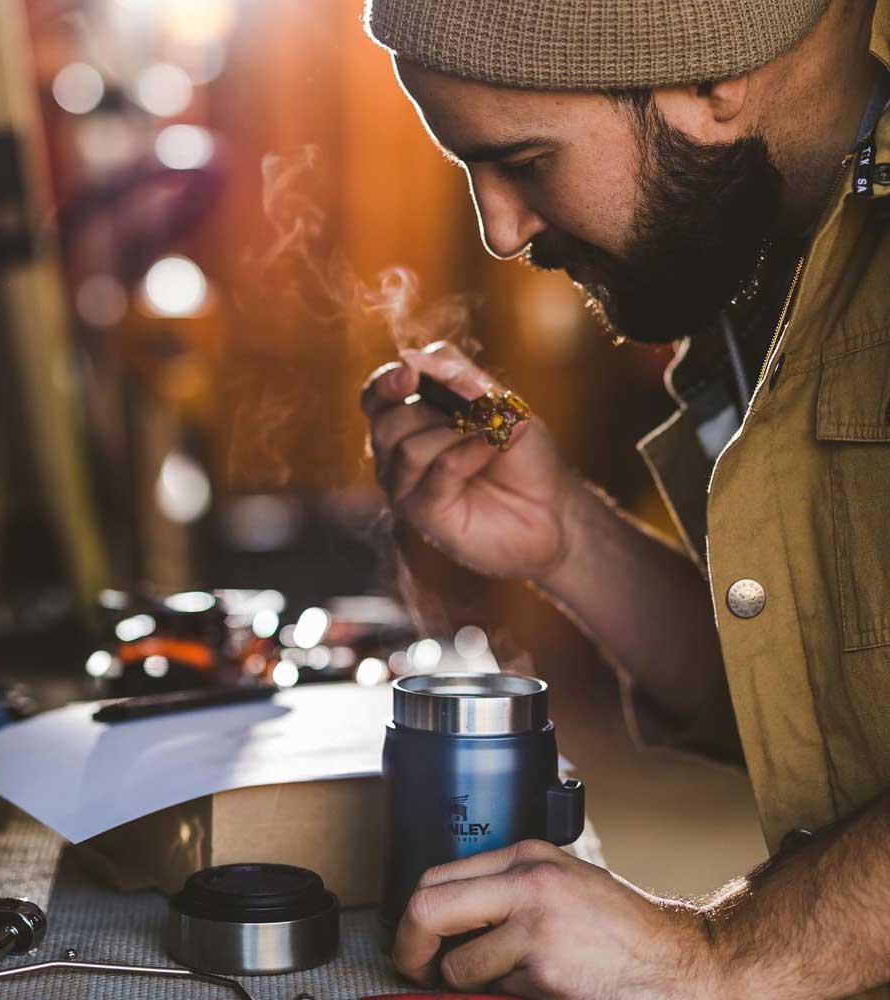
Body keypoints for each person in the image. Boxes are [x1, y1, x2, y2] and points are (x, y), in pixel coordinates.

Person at [359, 0, 890, 996]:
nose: (502, 230)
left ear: (710, 77)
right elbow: (832, 718)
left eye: (524, 160)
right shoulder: (755, 242)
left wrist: (722, 956)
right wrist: (565, 536)